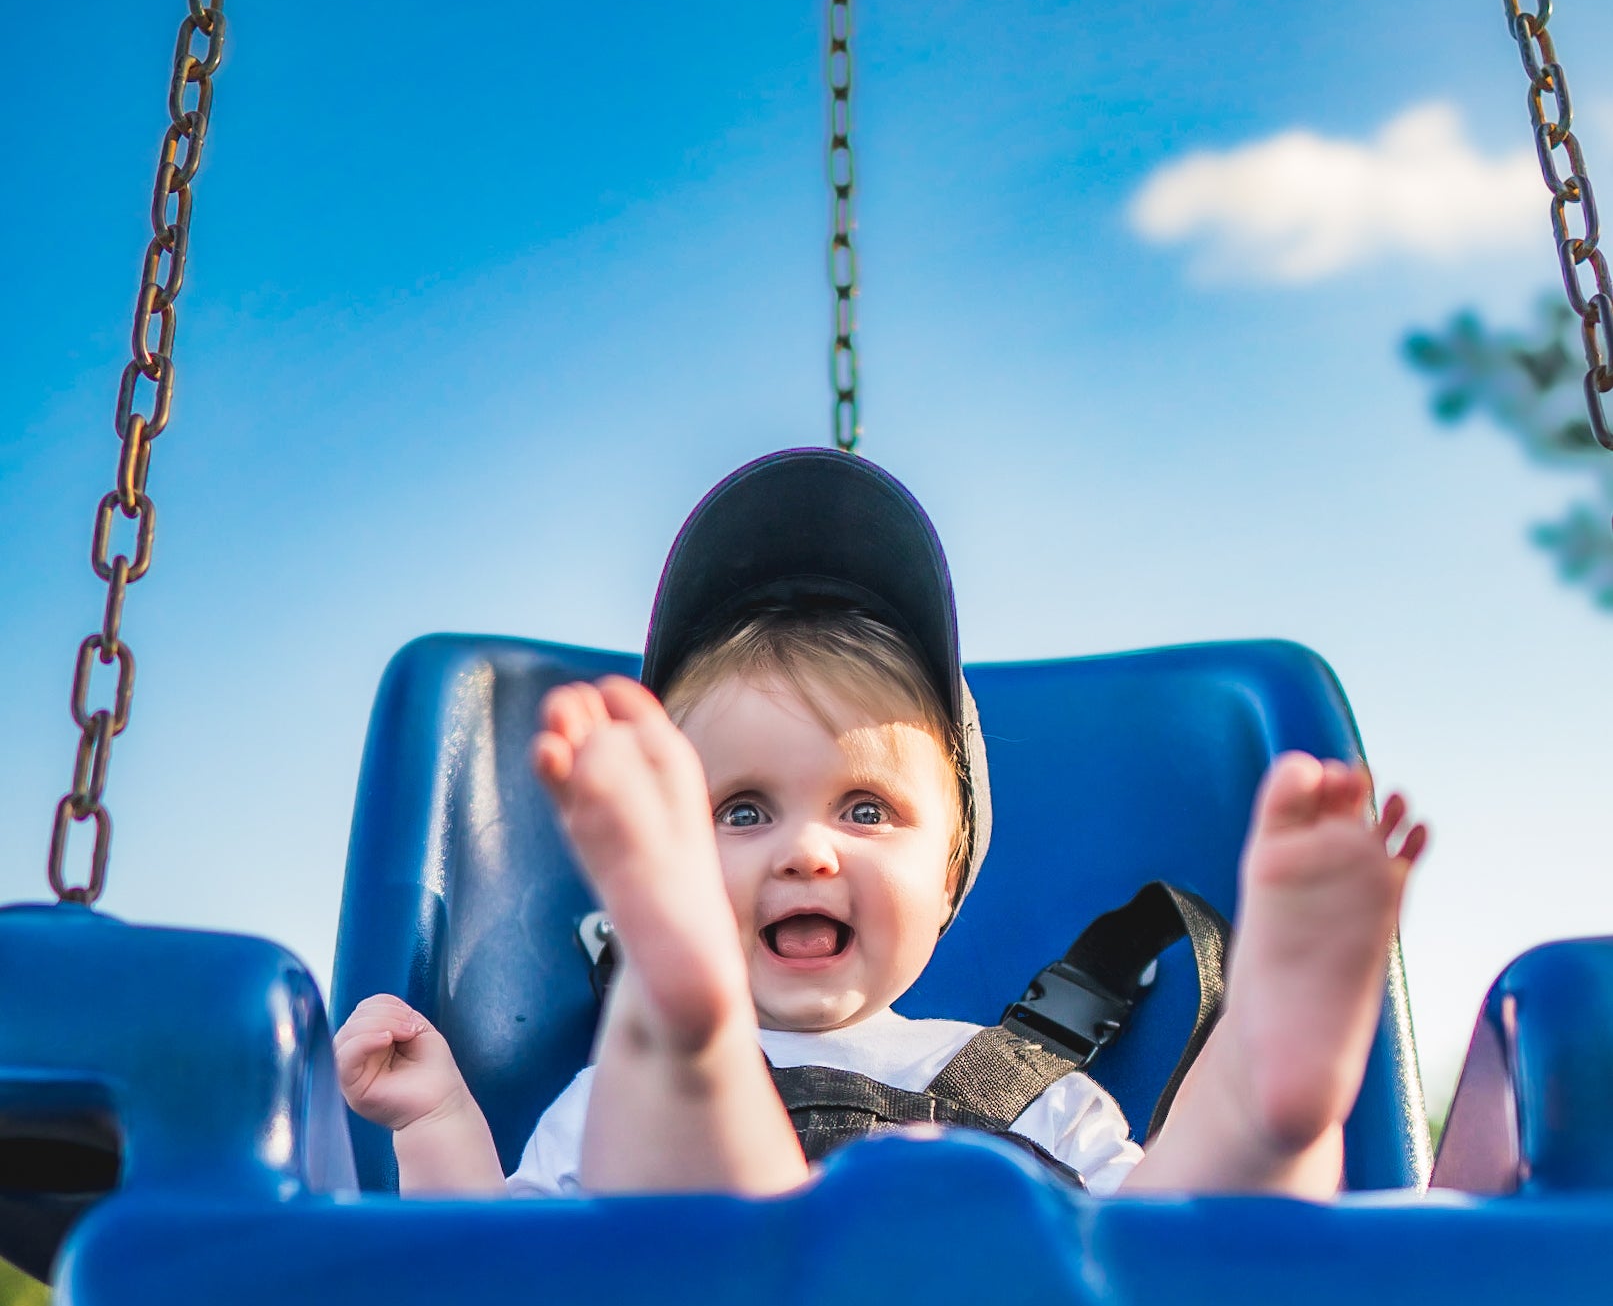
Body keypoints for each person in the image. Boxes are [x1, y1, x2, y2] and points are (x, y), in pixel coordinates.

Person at [333, 450, 1425, 1203]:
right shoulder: (600, 1110)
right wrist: (435, 1127)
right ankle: (685, 1031)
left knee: (1188, 1226)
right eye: (739, 810)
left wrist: (1233, 1132)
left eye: (866, 809)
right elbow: (487, 1289)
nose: (807, 851)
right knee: (663, 1143)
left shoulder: (1043, 1094)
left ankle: (1265, 1085)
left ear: (950, 874)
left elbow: (1164, 1275)